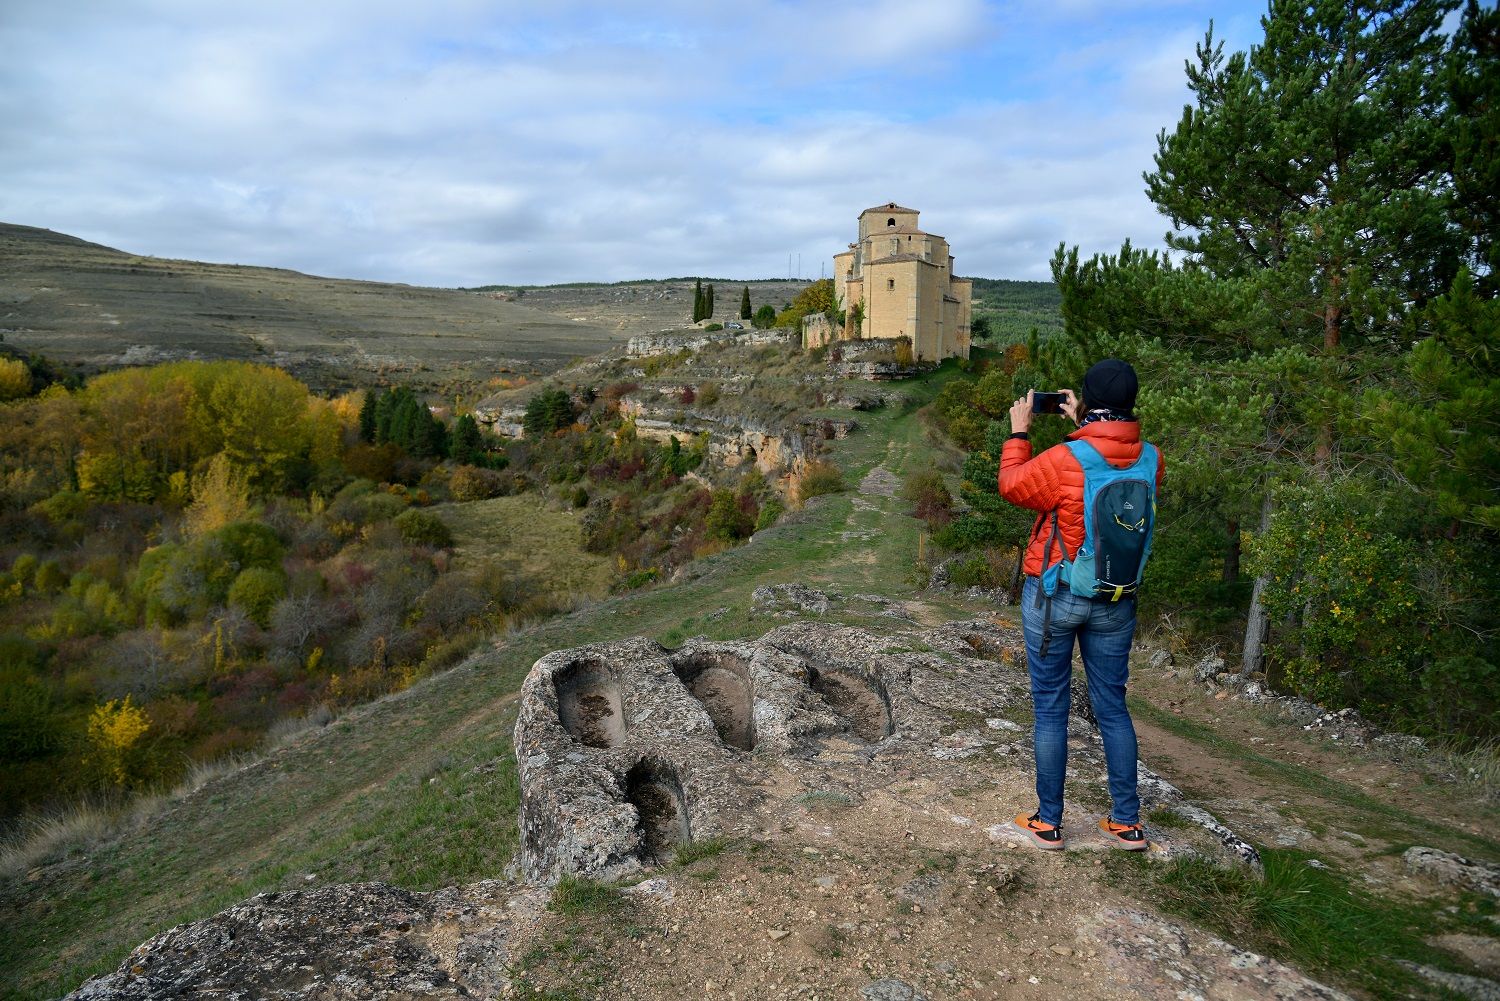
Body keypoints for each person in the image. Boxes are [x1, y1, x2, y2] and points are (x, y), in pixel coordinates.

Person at [997, 359, 1163, 851]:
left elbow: (1013, 486)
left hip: (1056, 595)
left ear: (1088, 401)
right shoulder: (1152, 459)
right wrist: (1088, 426)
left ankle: (1049, 822)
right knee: (1112, 706)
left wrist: (1019, 432)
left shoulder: (1067, 459)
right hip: (1116, 597)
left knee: (1051, 708)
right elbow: (1111, 464)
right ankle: (1126, 823)